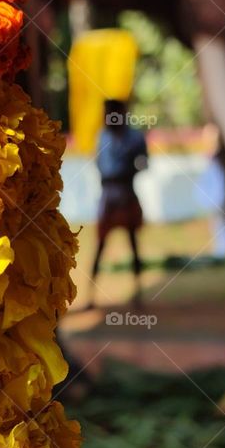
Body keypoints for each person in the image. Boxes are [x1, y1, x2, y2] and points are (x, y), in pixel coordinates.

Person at [88, 98, 148, 305]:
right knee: (101, 245)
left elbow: (144, 163)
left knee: (133, 244)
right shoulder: (102, 136)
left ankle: (138, 292)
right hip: (108, 194)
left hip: (126, 192)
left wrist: (131, 168)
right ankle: (91, 296)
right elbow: (98, 163)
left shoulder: (134, 137)